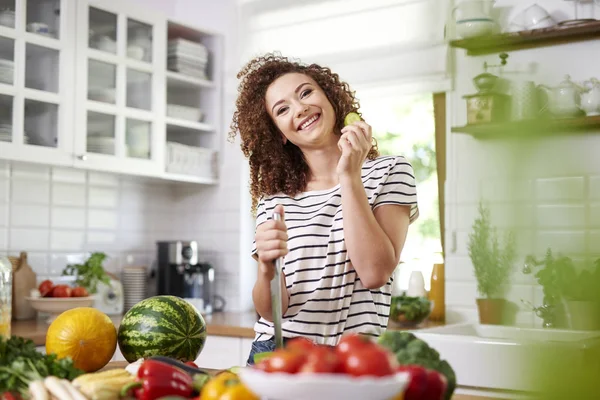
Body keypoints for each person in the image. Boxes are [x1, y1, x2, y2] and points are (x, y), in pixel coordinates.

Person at [229, 53, 419, 365]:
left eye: (305, 93)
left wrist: (349, 176)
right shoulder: (275, 200)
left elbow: (374, 273)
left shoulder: (389, 171)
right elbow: (271, 310)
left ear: (329, 97)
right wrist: (266, 268)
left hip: (354, 357)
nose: (300, 108)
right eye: (283, 109)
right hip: (278, 352)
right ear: (279, 133)